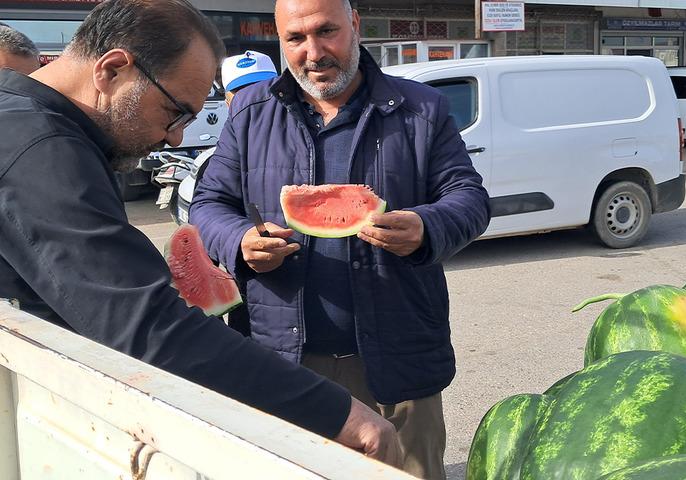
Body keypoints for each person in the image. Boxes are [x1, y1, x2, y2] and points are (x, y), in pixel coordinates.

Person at [0, 0, 402, 467]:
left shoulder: (19, 116)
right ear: (112, 70)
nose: (174, 139)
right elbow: (147, 328)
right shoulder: (42, 149)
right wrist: (340, 414)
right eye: (175, 113)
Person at [190, 0, 491, 477]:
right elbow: (208, 203)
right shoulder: (251, 111)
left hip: (396, 363)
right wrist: (239, 242)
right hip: (282, 359)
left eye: (326, 31)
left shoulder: (421, 109)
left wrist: (427, 227)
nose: (313, 51)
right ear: (279, 38)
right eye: (296, 38)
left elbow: (470, 198)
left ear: (354, 24)